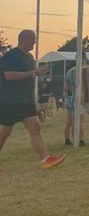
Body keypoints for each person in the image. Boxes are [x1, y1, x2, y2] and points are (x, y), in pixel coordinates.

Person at [0, 30, 65, 170]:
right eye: (32, 40)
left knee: (35, 128)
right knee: (4, 133)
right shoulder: (10, 56)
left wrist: (35, 102)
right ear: (22, 39)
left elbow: (30, 79)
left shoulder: (29, 57)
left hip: (26, 101)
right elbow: (7, 75)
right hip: (10, 100)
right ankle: (46, 159)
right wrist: (33, 73)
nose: (34, 43)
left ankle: (46, 159)